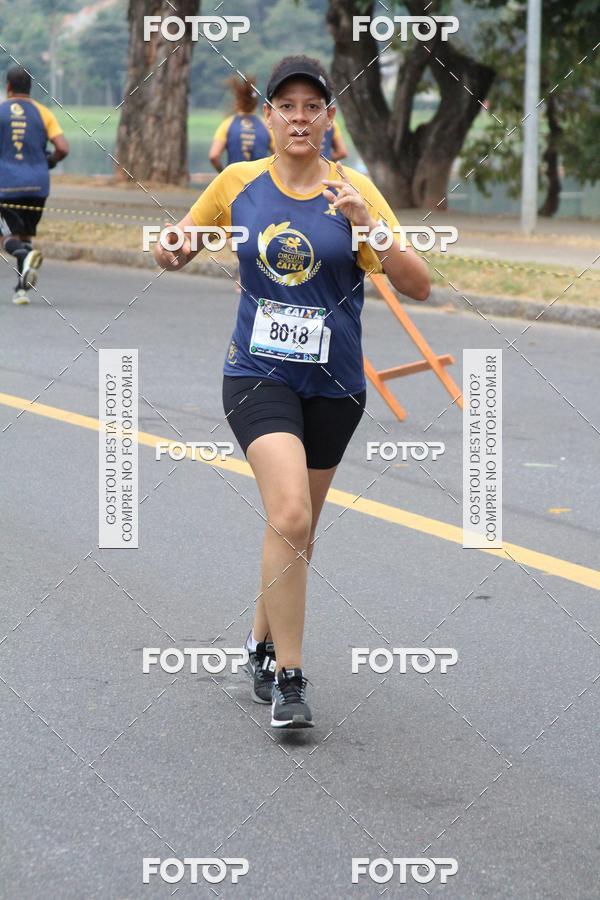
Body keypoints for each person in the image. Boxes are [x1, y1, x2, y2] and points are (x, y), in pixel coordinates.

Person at [155, 56, 430, 729]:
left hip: (335, 384)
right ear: (268, 117)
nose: (299, 118)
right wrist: (171, 248)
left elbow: (419, 283)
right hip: (257, 374)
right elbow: (183, 240)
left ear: (329, 119)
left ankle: (259, 640)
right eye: (287, 106)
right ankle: (291, 678)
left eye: (313, 107)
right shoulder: (238, 183)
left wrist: (368, 223)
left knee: (294, 526)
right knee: (292, 514)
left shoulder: (353, 190)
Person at [0, 65, 69, 304]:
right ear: (30, 88)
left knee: (7, 237)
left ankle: (25, 254)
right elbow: (62, 148)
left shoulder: (1, 110)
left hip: (7, 185)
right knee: (25, 234)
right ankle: (21, 290)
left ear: (8, 86)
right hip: (38, 186)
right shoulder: (43, 113)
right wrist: (47, 162)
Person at [209, 74, 272, 172]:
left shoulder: (227, 124)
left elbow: (214, 156)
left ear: (237, 102)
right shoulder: (267, 125)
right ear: (255, 104)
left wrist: (223, 174)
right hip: (260, 182)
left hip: (235, 182)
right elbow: (279, 156)